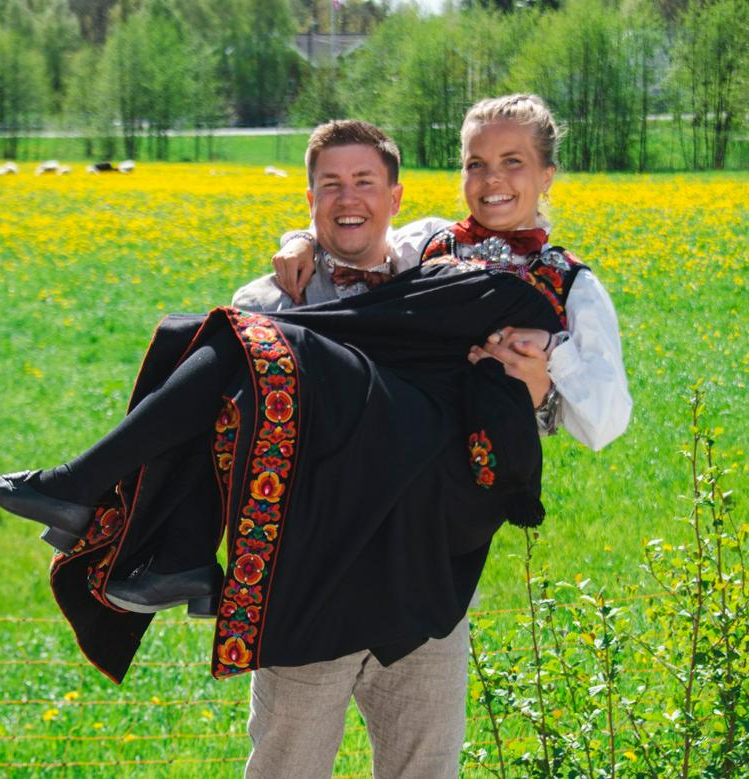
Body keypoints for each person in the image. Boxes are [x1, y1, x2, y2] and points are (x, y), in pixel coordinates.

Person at [248, 95, 632, 778]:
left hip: (433, 558)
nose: (491, 180)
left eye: (513, 162)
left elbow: (605, 421)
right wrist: (300, 239)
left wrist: (550, 362)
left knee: (424, 764)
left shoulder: (571, 284)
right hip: (325, 554)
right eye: (475, 163)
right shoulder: (427, 244)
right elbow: (352, 227)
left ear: (547, 173)